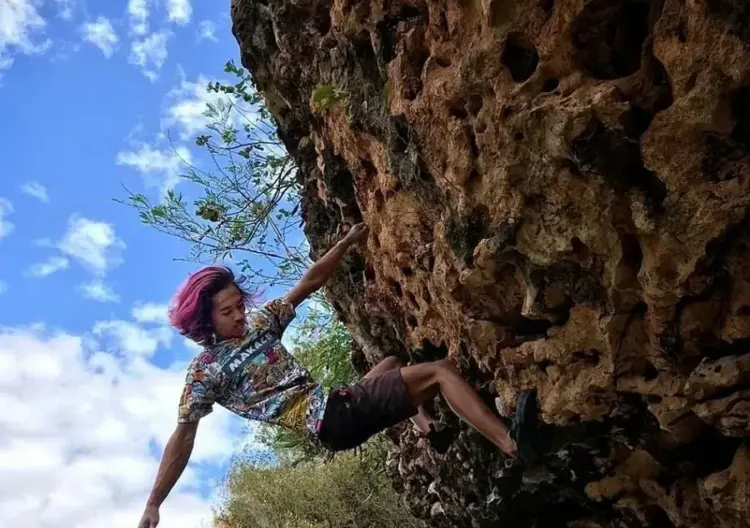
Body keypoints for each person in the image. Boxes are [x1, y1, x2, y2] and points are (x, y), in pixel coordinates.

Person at [137, 223, 538, 528]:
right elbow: (182, 439)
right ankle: (513, 444)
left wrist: (345, 245)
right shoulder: (204, 374)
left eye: (239, 305)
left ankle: (429, 428)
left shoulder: (261, 326)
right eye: (228, 312)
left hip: (334, 419)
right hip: (332, 414)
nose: (240, 315)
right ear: (204, 321)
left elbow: (308, 283)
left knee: (393, 364)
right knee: (441, 372)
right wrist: (155, 502)